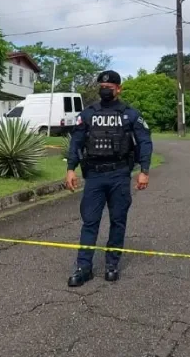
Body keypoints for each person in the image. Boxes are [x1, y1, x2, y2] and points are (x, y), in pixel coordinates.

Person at [65, 70, 153, 287]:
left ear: (118, 89)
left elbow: (144, 142)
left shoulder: (130, 114)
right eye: (102, 87)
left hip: (119, 175)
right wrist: (70, 169)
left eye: (109, 87)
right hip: (94, 175)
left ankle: (112, 265)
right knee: (90, 222)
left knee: (118, 220)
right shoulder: (88, 114)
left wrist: (144, 171)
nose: (105, 90)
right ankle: (83, 267)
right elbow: (76, 141)